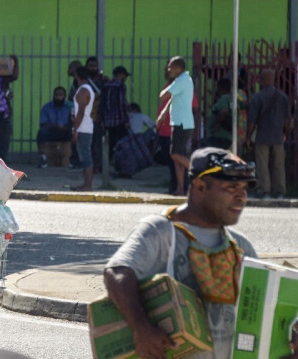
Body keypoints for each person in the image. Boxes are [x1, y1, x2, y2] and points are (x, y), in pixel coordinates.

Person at [103, 147, 258, 359]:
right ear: (200, 186)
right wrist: (142, 329)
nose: (242, 197)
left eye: (244, 188)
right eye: (231, 187)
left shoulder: (241, 246)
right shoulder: (161, 231)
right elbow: (117, 273)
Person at [246, 69, 290, 200]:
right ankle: (280, 191)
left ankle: (265, 191)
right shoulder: (283, 97)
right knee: (278, 165)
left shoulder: (258, 97)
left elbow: (252, 121)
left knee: (262, 165)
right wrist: (285, 133)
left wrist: (248, 136)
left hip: (262, 136)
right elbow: (288, 120)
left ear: (263, 80)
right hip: (278, 136)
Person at [158, 56, 195, 196]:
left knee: (175, 155)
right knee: (177, 157)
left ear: (178, 68)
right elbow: (172, 98)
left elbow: (163, 96)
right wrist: (163, 113)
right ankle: (180, 188)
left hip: (182, 124)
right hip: (179, 122)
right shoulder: (184, 80)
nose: (168, 70)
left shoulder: (181, 81)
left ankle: (198, 171)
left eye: (171, 67)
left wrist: (168, 88)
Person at [70, 66, 95, 192]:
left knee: (86, 157)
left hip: (83, 128)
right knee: (84, 157)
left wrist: (75, 130)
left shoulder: (83, 91)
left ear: (77, 76)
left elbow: (81, 112)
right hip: (84, 127)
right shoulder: (85, 89)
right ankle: (86, 184)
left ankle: (88, 185)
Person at [98, 66, 130, 159]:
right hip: (119, 120)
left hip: (108, 121)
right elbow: (121, 104)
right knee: (121, 143)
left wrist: (102, 119)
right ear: (121, 75)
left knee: (111, 142)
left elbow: (102, 103)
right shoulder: (120, 85)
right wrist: (126, 120)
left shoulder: (106, 85)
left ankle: (108, 161)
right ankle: (119, 162)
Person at [36, 86, 72, 168]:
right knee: (41, 132)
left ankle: (73, 159)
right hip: (52, 131)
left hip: (65, 131)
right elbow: (43, 123)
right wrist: (57, 126)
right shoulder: (47, 107)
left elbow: (73, 121)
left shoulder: (69, 107)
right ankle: (43, 158)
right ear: (53, 95)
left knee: (74, 132)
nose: (58, 97)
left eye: (61, 95)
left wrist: (65, 127)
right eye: (56, 95)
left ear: (64, 96)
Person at [0, 55, 18, 163]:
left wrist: (15, 62)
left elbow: (14, 76)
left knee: (3, 142)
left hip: (2, 114)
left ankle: (2, 165)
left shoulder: (2, 80)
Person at [206, 78, 234, 150]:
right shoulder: (233, 99)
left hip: (219, 137)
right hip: (228, 136)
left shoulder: (224, 98)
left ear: (219, 87)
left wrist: (216, 124)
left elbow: (223, 111)